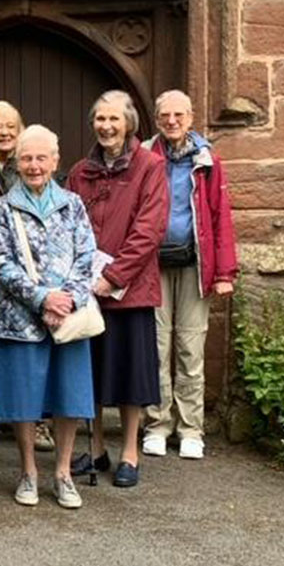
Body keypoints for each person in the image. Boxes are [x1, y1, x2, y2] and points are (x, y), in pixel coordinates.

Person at [0, 125, 97, 509]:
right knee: (24, 399)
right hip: (21, 319)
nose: (33, 166)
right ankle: (29, 472)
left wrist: (66, 299)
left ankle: (64, 472)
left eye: (41, 158)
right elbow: (0, 262)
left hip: (68, 318)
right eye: (26, 159)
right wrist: (42, 298)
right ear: (17, 163)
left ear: (55, 161)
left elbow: (87, 256)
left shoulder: (73, 204)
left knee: (69, 396)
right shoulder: (3, 207)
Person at [66, 90, 168, 488]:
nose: (106, 127)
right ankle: (95, 449)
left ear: (129, 124)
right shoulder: (80, 171)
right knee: (87, 371)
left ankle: (129, 450)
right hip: (88, 288)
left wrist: (114, 276)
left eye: (114, 120)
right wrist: (83, 277)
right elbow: (71, 226)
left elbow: (150, 228)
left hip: (130, 291)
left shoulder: (149, 166)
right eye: (100, 120)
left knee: (129, 375)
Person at [141, 90, 238, 460]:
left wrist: (225, 271)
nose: (172, 121)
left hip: (197, 265)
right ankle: (157, 425)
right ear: (156, 118)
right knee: (157, 345)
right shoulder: (146, 156)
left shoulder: (207, 160)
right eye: (165, 115)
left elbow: (219, 216)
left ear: (191, 117)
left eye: (179, 115)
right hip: (153, 266)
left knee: (190, 348)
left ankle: (190, 429)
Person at [0, 101, 55, 453]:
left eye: (10, 126)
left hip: (31, 279)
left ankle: (38, 423)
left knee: (34, 352)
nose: (4, 133)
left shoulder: (32, 166)